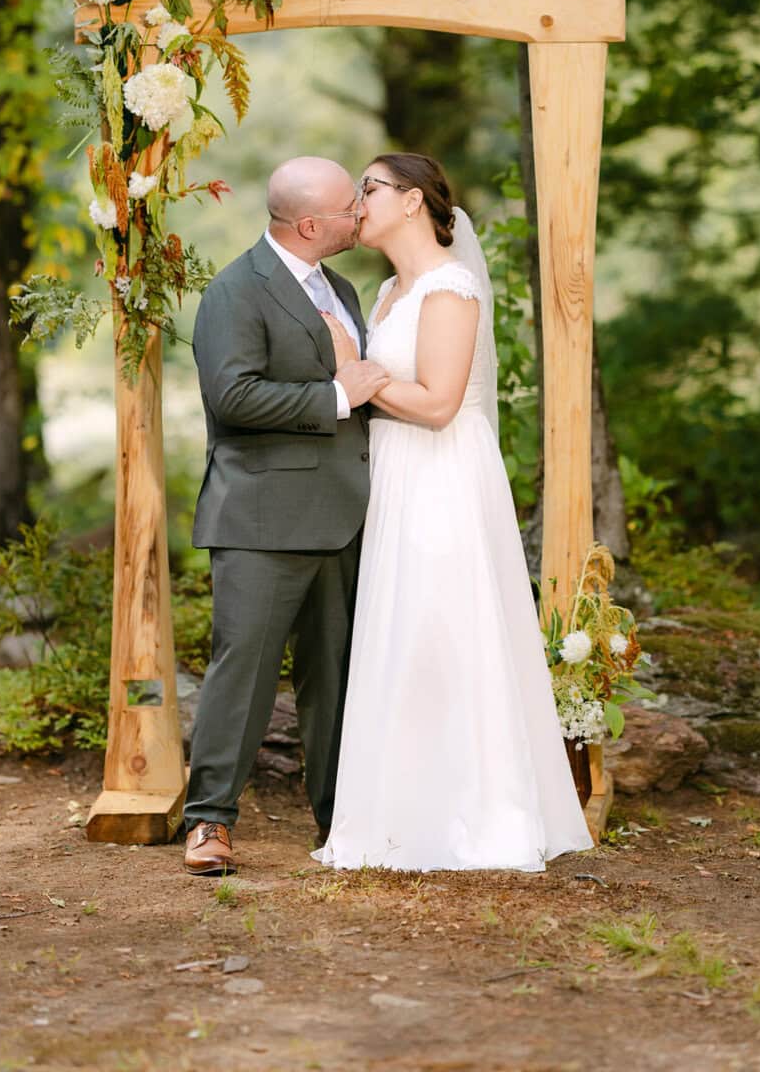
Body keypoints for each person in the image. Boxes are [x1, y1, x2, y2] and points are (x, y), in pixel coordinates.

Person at [312, 153, 593, 872]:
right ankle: (402, 813)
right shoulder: (385, 294)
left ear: (412, 201)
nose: (357, 201)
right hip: (393, 476)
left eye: (369, 188)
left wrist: (354, 374)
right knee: (400, 635)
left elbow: (438, 404)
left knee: (443, 630)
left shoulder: (450, 287)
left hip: (441, 477)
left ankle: (477, 815)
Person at [180, 156, 391, 876]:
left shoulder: (343, 288)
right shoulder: (235, 291)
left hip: (345, 514)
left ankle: (340, 822)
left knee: (335, 676)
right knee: (243, 671)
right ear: (307, 225)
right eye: (347, 208)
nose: (358, 214)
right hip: (262, 519)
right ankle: (208, 821)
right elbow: (232, 397)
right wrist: (337, 395)